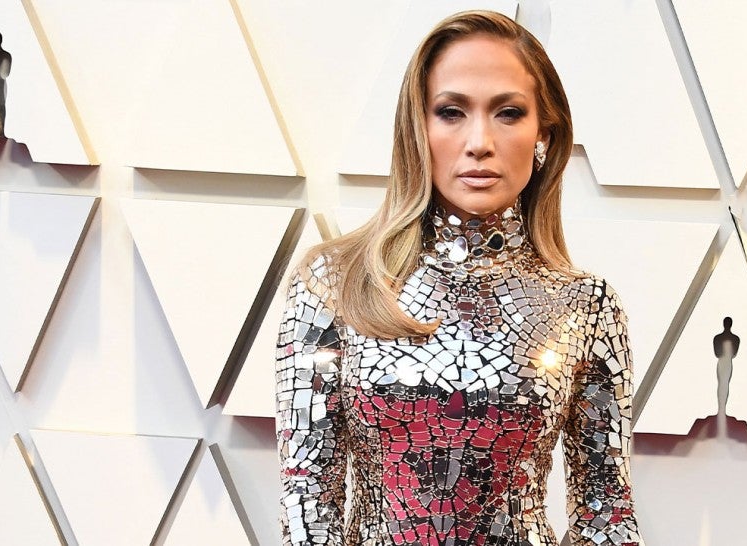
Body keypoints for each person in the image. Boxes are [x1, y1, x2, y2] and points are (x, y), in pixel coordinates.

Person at [276, 10, 644, 546]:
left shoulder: (584, 304)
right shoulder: (335, 283)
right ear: (418, 129)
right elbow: (307, 500)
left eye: (508, 113)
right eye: (451, 112)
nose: (479, 142)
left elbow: (607, 511)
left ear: (543, 134)